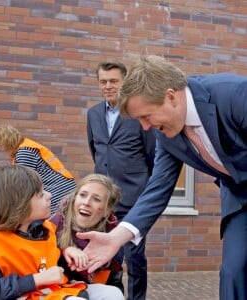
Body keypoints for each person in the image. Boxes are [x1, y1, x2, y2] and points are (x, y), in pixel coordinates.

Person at [78, 55, 247, 300]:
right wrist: (116, 238)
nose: (145, 127)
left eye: (147, 116)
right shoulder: (166, 134)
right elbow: (158, 187)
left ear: (170, 96)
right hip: (239, 197)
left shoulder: (234, 95)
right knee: (233, 272)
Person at [0, 164, 125, 300]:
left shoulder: (43, 228)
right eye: (40, 194)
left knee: (112, 294)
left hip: (52, 291)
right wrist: (38, 279)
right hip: (23, 295)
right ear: (18, 206)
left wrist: (67, 250)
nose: (49, 195)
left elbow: (47, 257)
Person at [86, 61, 156, 300]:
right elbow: (96, 151)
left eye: (113, 81)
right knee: (107, 259)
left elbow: (152, 156)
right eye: (103, 81)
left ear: (124, 83)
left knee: (134, 259)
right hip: (102, 203)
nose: (108, 86)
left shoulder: (136, 113)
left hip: (133, 198)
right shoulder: (93, 114)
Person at [50, 173, 124, 293]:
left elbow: (113, 284)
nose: (87, 202)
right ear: (75, 199)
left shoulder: (112, 238)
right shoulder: (52, 225)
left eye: (96, 199)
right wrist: (64, 249)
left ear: (106, 211)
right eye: (83, 195)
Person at [0, 125, 76, 215]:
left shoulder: (24, 153)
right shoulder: (27, 147)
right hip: (64, 189)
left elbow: (22, 183)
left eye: (1, 145)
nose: (1, 149)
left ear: (7, 141)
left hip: (58, 192)